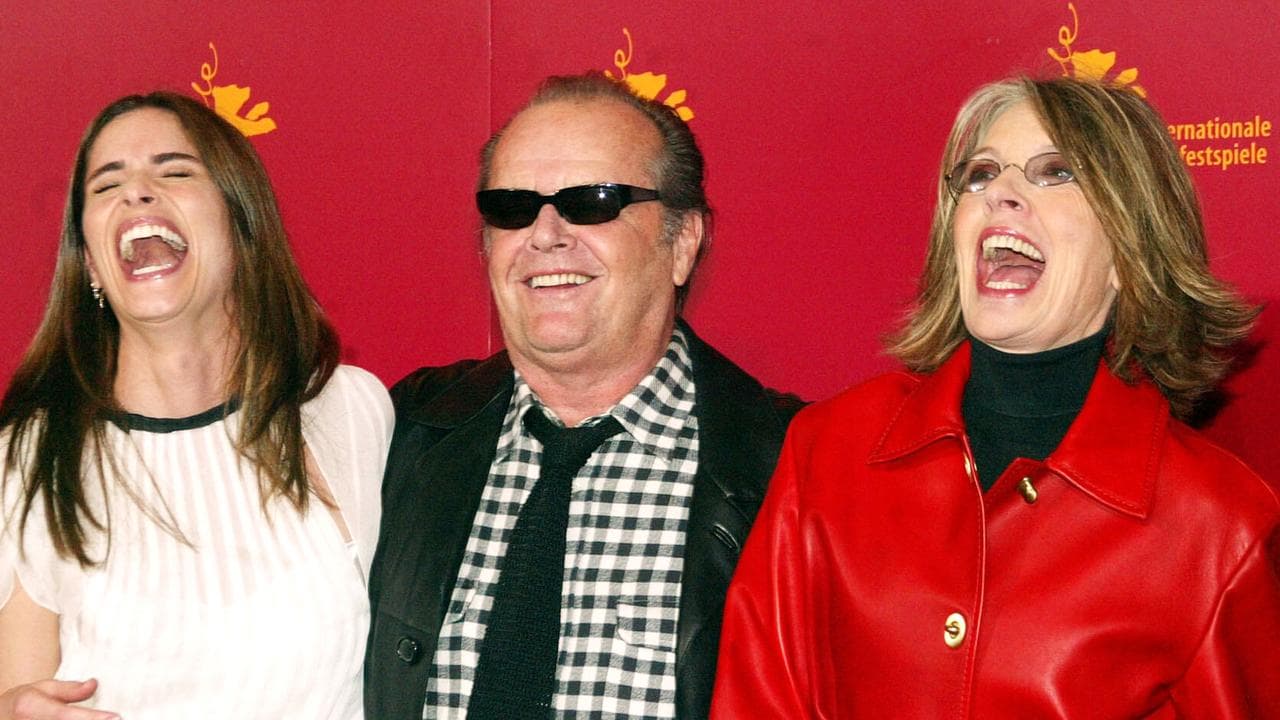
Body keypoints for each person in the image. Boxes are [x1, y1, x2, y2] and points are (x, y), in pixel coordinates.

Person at [711, 76, 1280, 718]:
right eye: (980, 175)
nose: (1000, 194)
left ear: (1130, 250)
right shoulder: (829, 447)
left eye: (1056, 172)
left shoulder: (1217, 526)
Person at [364, 72, 801, 720]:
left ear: (682, 242)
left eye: (592, 202)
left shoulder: (797, 469)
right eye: (512, 206)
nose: (545, 234)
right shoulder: (396, 434)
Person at [0, 92, 392, 719]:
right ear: (91, 265)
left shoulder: (348, 411)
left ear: (242, 229)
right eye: (107, 185)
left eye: (175, 171)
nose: (137, 193)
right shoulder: (29, 459)